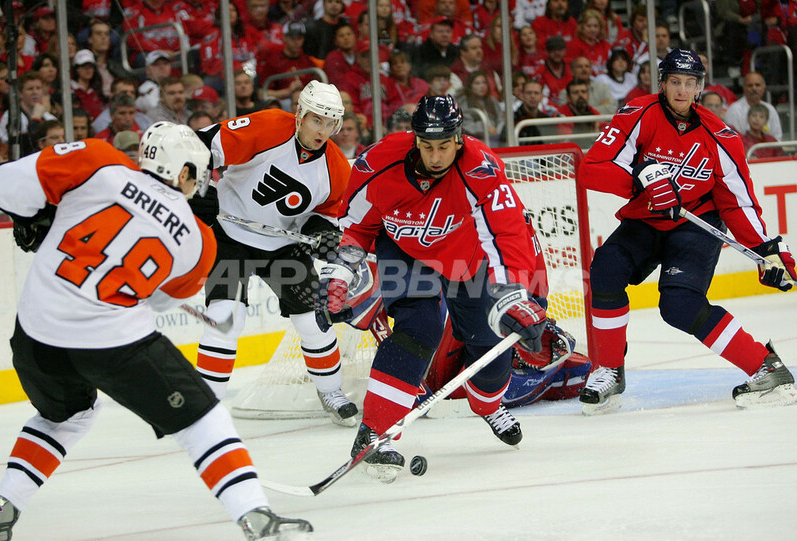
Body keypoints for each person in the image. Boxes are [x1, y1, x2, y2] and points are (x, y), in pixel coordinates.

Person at [0, 123, 312, 541]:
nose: (198, 186)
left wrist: (37, 216)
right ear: (183, 172)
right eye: (197, 176)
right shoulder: (199, 240)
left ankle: (0, 510)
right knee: (203, 419)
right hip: (112, 344)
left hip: (35, 336)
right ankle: (255, 516)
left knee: (66, 416)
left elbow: (5, 185)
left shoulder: (98, 160)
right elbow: (157, 301)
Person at [316, 94, 549, 481]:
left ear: (459, 138)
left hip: (465, 259)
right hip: (404, 252)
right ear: (415, 139)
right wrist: (340, 273)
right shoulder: (378, 162)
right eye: (427, 147)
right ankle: (375, 434)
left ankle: (487, 405)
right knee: (417, 329)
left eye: (444, 147)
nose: (436, 157)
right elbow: (357, 225)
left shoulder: (481, 168)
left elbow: (506, 234)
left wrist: (510, 293)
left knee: (490, 346)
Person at [577, 49, 797, 415]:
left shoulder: (720, 136)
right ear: (662, 83)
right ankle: (609, 371)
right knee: (606, 270)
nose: (682, 90)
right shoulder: (637, 114)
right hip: (646, 218)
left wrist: (767, 248)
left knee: (679, 305)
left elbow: (737, 203)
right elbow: (592, 168)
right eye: (675, 81)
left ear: (699, 88)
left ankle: (766, 367)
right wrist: (639, 180)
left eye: (690, 83)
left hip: (696, 223)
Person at [189, 80, 358, 426]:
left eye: (330, 123)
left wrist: (322, 233)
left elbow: (325, 215)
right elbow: (202, 146)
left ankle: (331, 391)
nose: (322, 131)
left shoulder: (337, 167)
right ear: (300, 114)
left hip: (283, 246)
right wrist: (195, 187)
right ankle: (205, 406)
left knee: (313, 321)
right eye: (316, 120)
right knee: (225, 316)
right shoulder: (268, 126)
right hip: (230, 235)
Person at [724, 72, 782, 141]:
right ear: (744, 88)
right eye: (750, 85)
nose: (754, 88)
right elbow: (733, 139)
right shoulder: (734, 109)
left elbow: (777, 136)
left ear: (763, 87)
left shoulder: (770, 109)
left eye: (757, 85)